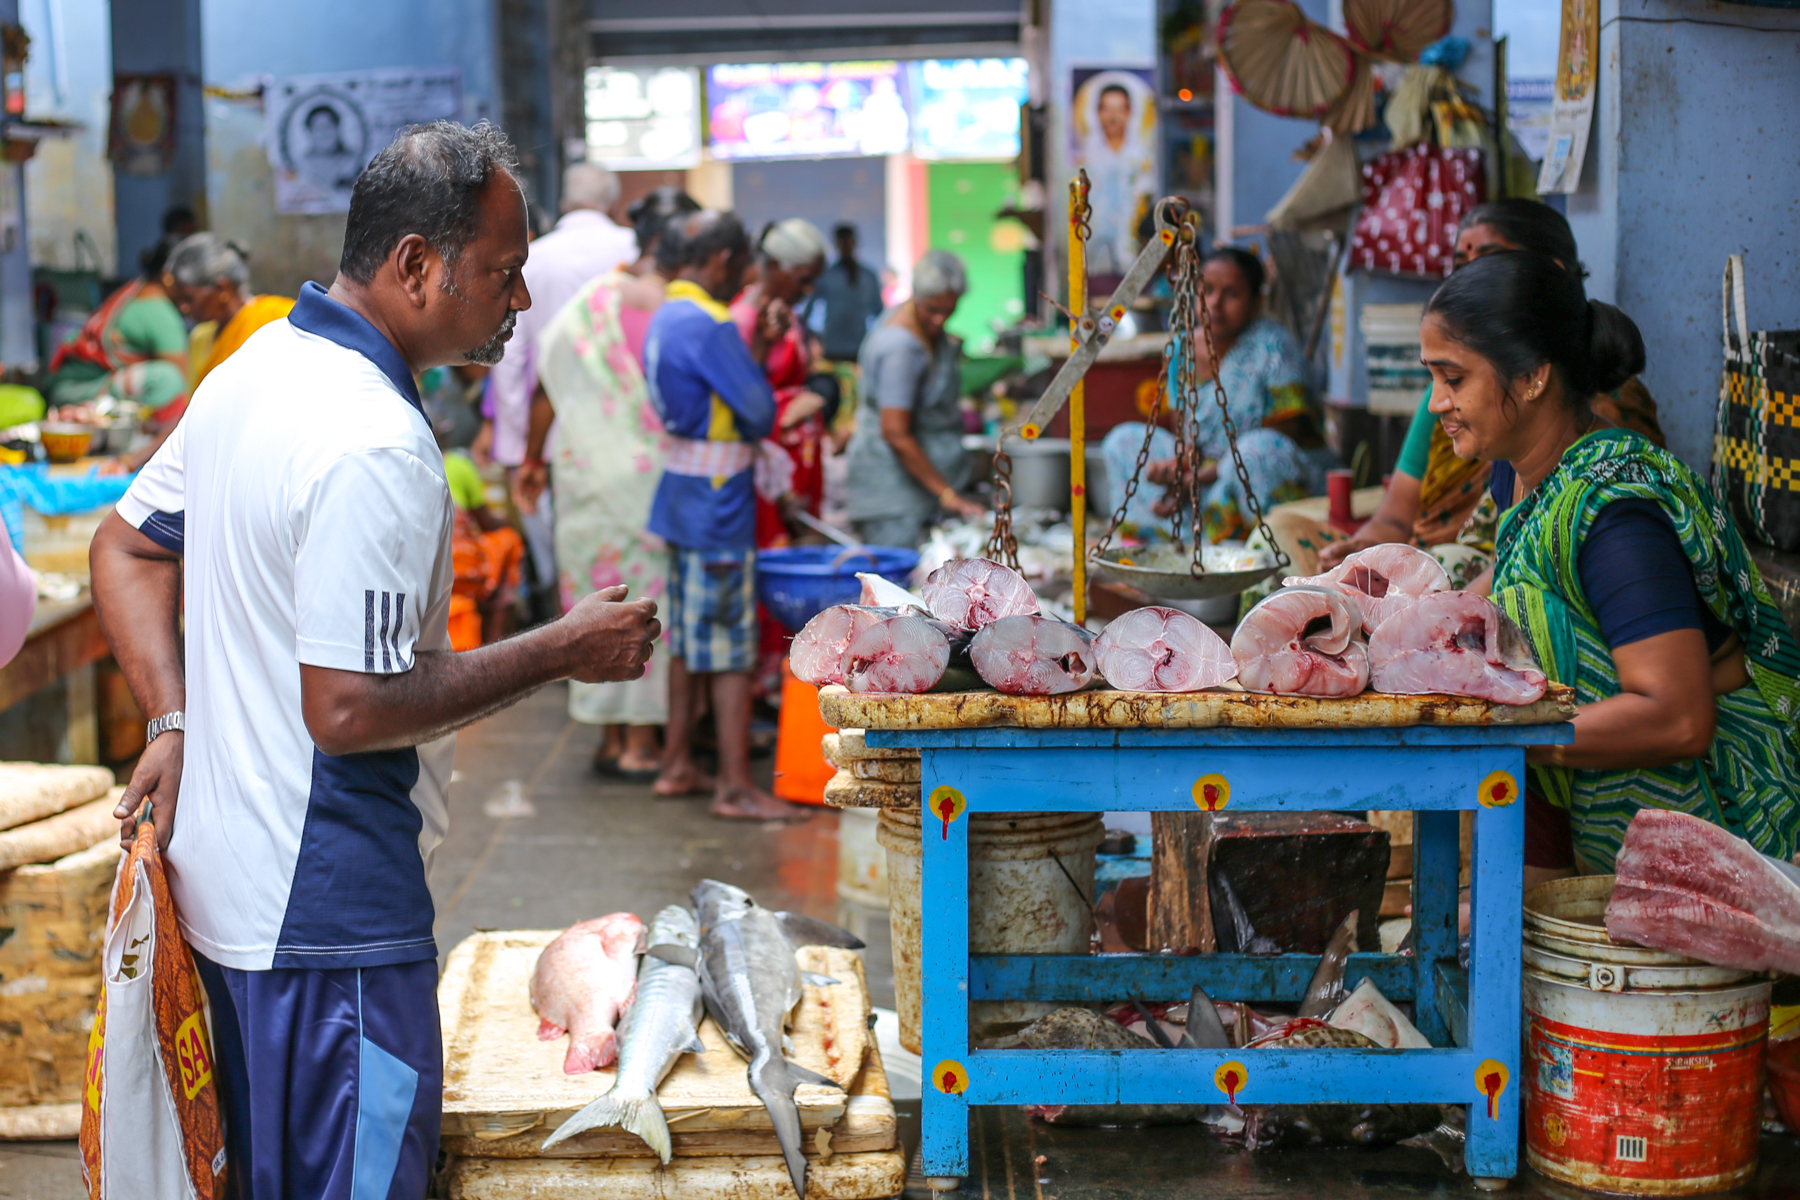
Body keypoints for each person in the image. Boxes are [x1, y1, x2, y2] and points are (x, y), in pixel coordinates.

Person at [88, 121, 659, 1200]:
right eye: (501, 272)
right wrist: (561, 650)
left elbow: (122, 544)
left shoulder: (256, 367)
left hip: (227, 896)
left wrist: (170, 719)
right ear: (414, 266)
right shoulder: (374, 444)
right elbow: (347, 708)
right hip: (327, 923)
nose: (518, 301)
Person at [1422, 250, 1800, 878]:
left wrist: (1498, 738)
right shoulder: (1519, 473)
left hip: (1730, 824)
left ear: (1533, 378)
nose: (1436, 402)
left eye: (1453, 378)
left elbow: (1678, 718)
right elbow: (1512, 583)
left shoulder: (1614, 515)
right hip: (1604, 807)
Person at [1313, 200, 1666, 581]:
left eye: (1489, 258)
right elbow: (1498, 566)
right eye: (1461, 262)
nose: (1436, 402)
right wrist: (1366, 556)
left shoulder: (1611, 500)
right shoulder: (1508, 466)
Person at [530, 186, 699, 780]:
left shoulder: (590, 300)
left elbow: (545, 386)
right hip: (647, 479)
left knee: (594, 600)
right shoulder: (670, 306)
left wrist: (530, 461)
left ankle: (609, 738)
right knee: (650, 603)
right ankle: (641, 743)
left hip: (583, 476)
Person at [643, 209, 800, 820]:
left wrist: (752, 343)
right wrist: (752, 347)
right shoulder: (708, 323)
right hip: (718, 501)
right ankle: (734, 785)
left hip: (683, 491)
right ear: (721, 263)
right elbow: (759, 410)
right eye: (739, 266)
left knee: (686, 637)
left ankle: (677, 760)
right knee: (730, 645)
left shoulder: (668, 312)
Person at [1102, 246, 1326, 545]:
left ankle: (1268, 553)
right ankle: (1169, 547)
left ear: (1256, 302)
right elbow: (1187, 433)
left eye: (1231, 294)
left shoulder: (1272, 346)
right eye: (1206, 291)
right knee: (1124, 442)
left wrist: (1196, 479)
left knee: (1254, 451)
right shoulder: (1184, 348)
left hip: (1259, 479)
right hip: (1204, 476)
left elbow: (1284, 436)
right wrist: (1176, 470)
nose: (1215, 303)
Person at [491, 161, 640, 610]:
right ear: (611, 202)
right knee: (631, 548)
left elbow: (510, 356)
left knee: (570, 551)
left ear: (564, 203)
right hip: (632, 432)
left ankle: (573, 643)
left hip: (553, 432)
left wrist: (516, 446)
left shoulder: (535, 257)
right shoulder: (633, 251)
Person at [841, 251, 983, 549]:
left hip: (914, 494)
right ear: (915, 297)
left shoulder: (921, 329)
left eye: (948, 310)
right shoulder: (900, 348)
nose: (939, 319)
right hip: (893, 498)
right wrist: (947, 495)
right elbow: (895, 432)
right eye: (932, 309)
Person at [731, 218, 830, 547]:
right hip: (767, 464)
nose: (808, 290)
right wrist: (785, 410)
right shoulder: (745, 317)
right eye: (803, 279)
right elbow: (738, 394)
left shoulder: (785, 312)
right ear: (774, 266)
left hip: (795, 460)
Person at [45, 234, 189, 429]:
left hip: (66, 386)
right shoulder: (159, 310)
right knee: (167, 378)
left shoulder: (136, 288)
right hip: (80, 392)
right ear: (168, 276)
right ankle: (150, 438)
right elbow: (180, 387)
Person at [163, 233, 297, 390]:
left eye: (188, 298)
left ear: (222, 289)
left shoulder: (280, 318)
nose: (182, 308)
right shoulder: (200, 338)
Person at [1079, 82, 1155, 278]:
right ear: (1098, 112)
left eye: (1119, 109)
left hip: (1131, 237)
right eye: (1107, 109)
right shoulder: (1087, 154)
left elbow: (1145, 195)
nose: (1113, 117)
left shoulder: (1142, 154)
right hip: (1094, 238)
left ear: (1129, 112)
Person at [808, 223, 885, 366]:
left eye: (848, 241)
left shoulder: (868, 276)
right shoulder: (826, 275)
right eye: (842, 242)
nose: (846, 246)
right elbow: (809, 309)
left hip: (860, 347)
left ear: (855, 242)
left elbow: (879, 312)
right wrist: (816, 337)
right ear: (836, 244)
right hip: (833, 347)